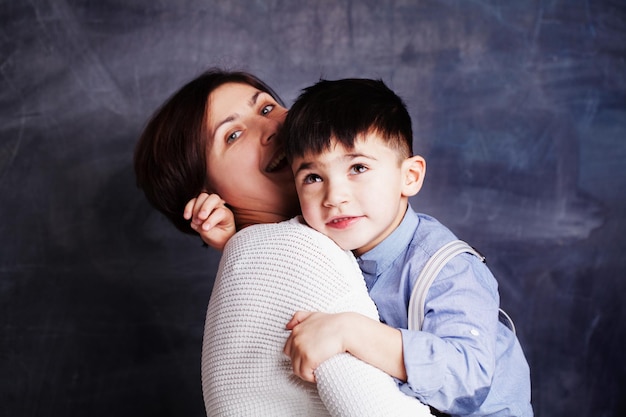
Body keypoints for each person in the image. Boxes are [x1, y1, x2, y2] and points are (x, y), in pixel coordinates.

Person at [134, 69, 432, 417]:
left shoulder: (256, 257)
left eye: (265, 109)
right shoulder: (298, 250)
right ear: (206, 197)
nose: (272, 129)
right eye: (232, 135)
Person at [278, 78, 533, 417]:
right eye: (313, 177)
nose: (334, 196)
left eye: (358, 168)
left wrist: (348, 331)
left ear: (409, 177)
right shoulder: (330, 248)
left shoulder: (447, 268)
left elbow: (466, 378)